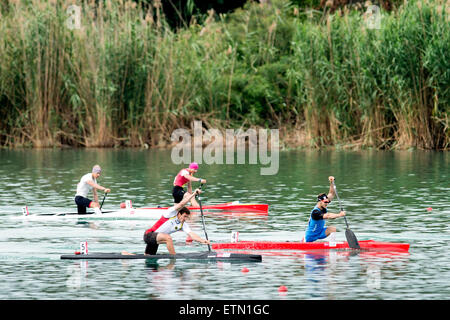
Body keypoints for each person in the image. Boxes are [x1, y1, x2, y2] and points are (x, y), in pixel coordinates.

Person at [143, 188, 210, 255]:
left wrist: (202, 240)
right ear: (179, 213)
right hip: (149, 235)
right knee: (168, 238)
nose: (185, 219)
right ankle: (173, 257)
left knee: (149, 258)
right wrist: (194, 194)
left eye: (187, 217)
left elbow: (192, 235)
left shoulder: (183, 225)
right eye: (185, 216)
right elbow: (182, 204)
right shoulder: (170, 213)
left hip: (157, 239)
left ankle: (132, 256)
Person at [304, 176, 345, 242]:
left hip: (320, 232)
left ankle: (333, 245)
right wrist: (339, 215)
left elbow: (331, 193)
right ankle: (304, 241)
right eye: (325, 202)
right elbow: (328, 216)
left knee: (332, 229)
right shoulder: (315, 213)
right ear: (320, 202)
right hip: (310, 237)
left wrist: (331, 182)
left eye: (328, 202)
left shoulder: (323, 205)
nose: (327, 203)